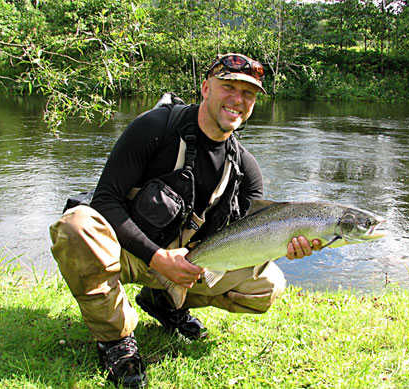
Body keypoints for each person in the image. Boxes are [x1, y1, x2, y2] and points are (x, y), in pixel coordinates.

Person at [49, 53, 322, 388]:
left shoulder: (246, 170)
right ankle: (116, 339)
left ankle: (163, 300)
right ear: (205, 88)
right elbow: (106, 199)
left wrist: (284, 245)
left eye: (248, 93)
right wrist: (158, 258)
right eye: (228, 87)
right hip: (129, 252)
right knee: (76, 226)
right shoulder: (156, 127)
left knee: (267, 284)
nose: (237, 99)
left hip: (189, 265)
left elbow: (244, 240)